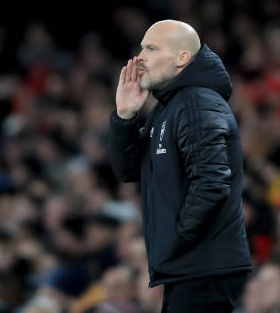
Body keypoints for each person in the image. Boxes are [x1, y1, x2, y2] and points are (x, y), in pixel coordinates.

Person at [108, 20, 252, 312]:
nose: (140, 57)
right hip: (190, 266)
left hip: (203, 266)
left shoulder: (197, 102)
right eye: (141, 47)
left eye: (151, 48)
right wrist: (125, 116)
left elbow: (211, 181)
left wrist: (176, 238)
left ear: (182, 58)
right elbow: (129, 171)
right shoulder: (170, 106)